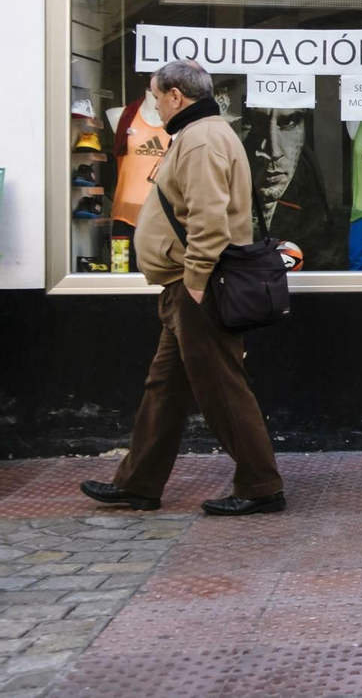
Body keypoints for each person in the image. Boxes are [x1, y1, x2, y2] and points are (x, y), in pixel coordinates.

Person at [80, 59, 286, 517]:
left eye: (157, 97)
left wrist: (195, 281)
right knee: (165, 389)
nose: (155, 105)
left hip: (197, 288)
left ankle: (261, 486)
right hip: (185, 287)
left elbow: (208, 219)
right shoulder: (197, 134)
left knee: (222, 389)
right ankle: (138, 484)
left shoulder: (202, 139)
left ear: (176, 95)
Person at [241, 106, 344, 269]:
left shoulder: (306, 174)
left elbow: (317, 247)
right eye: (258, 123)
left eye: (289, 122)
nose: (274, 151)